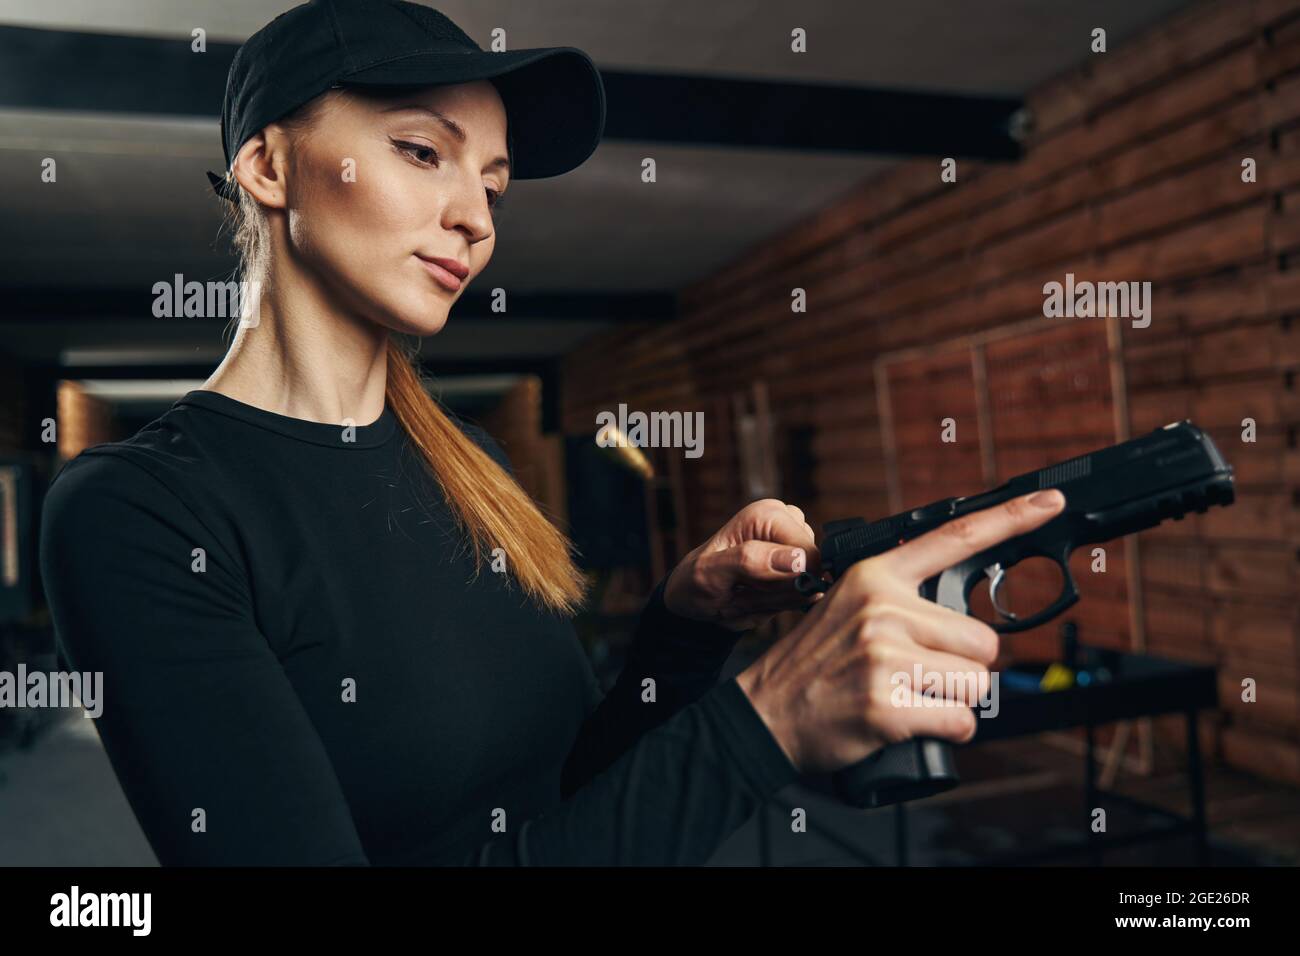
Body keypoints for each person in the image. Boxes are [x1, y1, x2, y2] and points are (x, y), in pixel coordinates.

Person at [38, 0, 1067, 866]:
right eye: (420, 151)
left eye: (490, 184)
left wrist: (685, 626)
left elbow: (568, 795)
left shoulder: (473, 467)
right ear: (267, 165)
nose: (476, 219)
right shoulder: (138, 512)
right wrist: (769, 717)